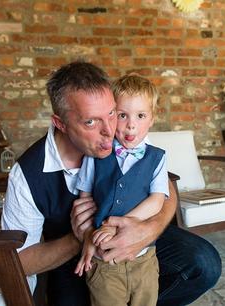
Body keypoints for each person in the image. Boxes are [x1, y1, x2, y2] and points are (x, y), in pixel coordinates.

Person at [1, 60, 222, 306]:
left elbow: (165, 184)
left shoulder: (125, 141)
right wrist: (79, 238)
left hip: (136, 244)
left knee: (204, 264)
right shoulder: (27, 175)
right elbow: (18, 261)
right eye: (91, 122)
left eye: (111, 113)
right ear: (60, 123)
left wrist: (149, 228)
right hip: (75, 261)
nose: (110, 130)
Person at [75, 75, 169, 306]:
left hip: (144, 259)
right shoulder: (95, 155)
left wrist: (116, 224)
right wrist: (87, 236)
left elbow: (157, 200)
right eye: (122, 114)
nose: (131, 124)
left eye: (140, 115)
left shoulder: (157, 157)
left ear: (152, 119)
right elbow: (84, 199)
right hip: (103, 260)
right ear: (111, 117)